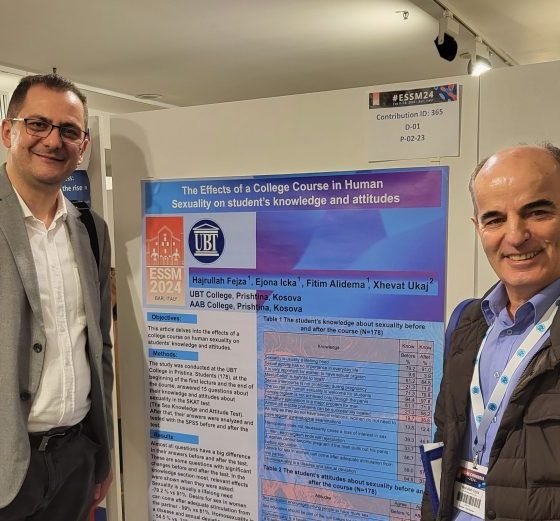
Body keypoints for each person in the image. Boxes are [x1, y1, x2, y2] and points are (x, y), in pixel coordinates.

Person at [422, 144, 560, 521]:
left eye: (537, 212)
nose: (515, 236)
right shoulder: (467, 322)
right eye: (495, 219)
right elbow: (444, 448)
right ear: (478, 228)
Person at [0, 74, 113, 520]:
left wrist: (101, 452)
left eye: (68, 130)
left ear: (82, 146)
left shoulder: (91, 230)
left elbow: (99, 346)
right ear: (8, 131)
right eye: (37, 124)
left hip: (75, 459)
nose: (52, 140)